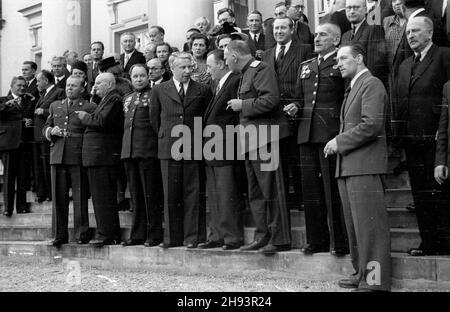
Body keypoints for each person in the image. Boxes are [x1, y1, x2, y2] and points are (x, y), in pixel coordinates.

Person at [325, 43, 391, 292]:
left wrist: (338, 141)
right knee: (355, 227)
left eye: (343, 58)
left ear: (360, 58)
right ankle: (360, 273)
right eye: (337, 60)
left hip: (364, 165)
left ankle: (374, 281)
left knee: (370, 229)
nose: (338, 63)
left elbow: (371, 125)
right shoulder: (354, 86)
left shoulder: (371, 84)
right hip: (350, 166)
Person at [286, 22, 348, 256]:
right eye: (316, 35)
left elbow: (345, 98)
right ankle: (316, 240)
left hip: (330, 133)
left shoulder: (340, 62)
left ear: (336, 39)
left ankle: (340, 241)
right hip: (307, 133)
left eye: (323, 35)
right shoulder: (307, 65)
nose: (317, 38)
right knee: (311, 190)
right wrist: (294, 105)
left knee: (332, 189)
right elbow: (300, 97)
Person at [225, 40, 291, 254]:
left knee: (272, 189)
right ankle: (262, 235)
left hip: (264, 138)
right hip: (251, 141)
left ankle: (279, 238)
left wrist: (242, 105)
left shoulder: (261, 69)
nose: (226, 61)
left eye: (226, 57)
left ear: (235, 56)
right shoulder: (246, 73)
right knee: (256, 192)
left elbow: (271, 100)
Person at [396, 16, 450, 256]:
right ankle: (428, 242)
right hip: (412, 138)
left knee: (440, 192)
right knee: (420, 195)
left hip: (436, 136)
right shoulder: (405, 64)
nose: (411, 36)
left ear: (429, 33)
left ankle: (446, 241)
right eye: (408, 32)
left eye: (416, 31)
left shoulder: (444, 56)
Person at [150, 52, 212, 249]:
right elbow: (155, 120)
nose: (187, 71)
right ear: (172, 69)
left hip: (193, 146)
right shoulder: (159, 90)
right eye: (182, 67)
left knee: (193, 193)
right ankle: (172, 238)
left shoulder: (202, 89)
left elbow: (206, 118)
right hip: (169, 146)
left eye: (189, 67)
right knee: (170, 193)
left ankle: (193, 237)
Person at [263, 16, 312, 211]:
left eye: (283, 28)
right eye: (276, 28)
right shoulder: (267, 55)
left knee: (297, 159)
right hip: (274, 114)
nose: (279, 32)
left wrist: (298, 104)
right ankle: (284, 200)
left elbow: (308, 83)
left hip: (296, 114)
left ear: (292, 30)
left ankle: (300, 198)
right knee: (279, 159)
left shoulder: (305, 50)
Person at [198, 49, 244, 251]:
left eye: (209, 66)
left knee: (226, 193)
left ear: (221, 64)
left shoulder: (234, 80)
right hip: (213, 146)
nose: (207, 71)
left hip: (226, 145)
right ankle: (216, 235)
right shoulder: (218, 84)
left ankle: (231, 237)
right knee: (215, 194)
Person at [43, 76, 97, 248]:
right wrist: (51, 130)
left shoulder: (89, 106)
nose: (69, 88)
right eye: (67, 85)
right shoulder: (55, 105)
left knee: (80, 196)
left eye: (74, 86)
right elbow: (45, 127)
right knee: (58, 197)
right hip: (58, 155)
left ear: (82, 88)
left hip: (78, 154)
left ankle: (81, 233)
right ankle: (59, 234)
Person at [77, 73, 124, 247]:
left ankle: (108, 235)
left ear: (110, 84)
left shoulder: (114, 100)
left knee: (103, 198)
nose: (95, 86)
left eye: (99, 83)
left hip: (103, 156)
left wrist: (84, 117)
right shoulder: (105, 99)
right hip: (98, 157)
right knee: (100, 198)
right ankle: (107, 233)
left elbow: (101, 121)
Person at [121, 64, 163, 247]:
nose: (139, 79)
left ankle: (154, 234)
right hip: (130, 152)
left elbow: (156, 123)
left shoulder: (155, 94)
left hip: (148, 151)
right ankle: (137, 234)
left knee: (150, 194)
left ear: (148, 76)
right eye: (135, 76)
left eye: (142, 76)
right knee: (136, 196)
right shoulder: (127, 98)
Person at [0, 77, 35, 216]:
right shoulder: (3, 99)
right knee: (9, 176)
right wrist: (8, 104)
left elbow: (30, 115)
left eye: (24, 86)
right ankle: (8, 208)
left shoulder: (29, 101)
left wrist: (28, 120)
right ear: (12, 85)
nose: (22, 88)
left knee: (23, 176)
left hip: (24, 142)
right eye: (19, 85)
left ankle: (21, 207)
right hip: (8, 142)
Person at [33, 70, 66, 203]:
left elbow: (61, 110)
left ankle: (51, 193)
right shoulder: (43, 94)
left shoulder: (58, 92)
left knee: (48, 166)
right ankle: (43, 192)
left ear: (46, 80)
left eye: (38, 80)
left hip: (48, 135)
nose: (36, 84)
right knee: (41, 167)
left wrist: (44, 111)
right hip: (39, 135)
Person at [341, 0, 389, 85]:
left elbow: (375, 66)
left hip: (365, 88)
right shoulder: (345, 36)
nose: (352, 11)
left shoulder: (373, 29)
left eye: (356, 7)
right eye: (349, 8)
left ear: (366, 9)